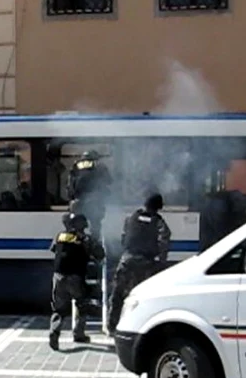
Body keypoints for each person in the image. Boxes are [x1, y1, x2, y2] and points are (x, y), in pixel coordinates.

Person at [108, 192, 171, 333]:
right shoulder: (158, 221)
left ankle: (112, 326)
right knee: (143, 296)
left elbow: (124, 237)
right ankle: (140, 327)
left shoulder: (131, 217)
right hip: (146, 263)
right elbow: (164, 242)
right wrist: (161, 261)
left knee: (118, 293)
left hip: (127, 259)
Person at [48, 212, 105, 350]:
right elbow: (100, 254)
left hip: (58, 276)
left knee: (59, 309)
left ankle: (54, 331)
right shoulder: (85, 239)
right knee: (81, 304)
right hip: (75, 277)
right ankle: (79, 334)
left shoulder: (60, 236)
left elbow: (53, 250)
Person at [67, 150, 112, 241]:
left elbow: (70, 185)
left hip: (78, 201)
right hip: (94, 201)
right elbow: (109, 181)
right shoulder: (99, 166)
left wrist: (73, 198)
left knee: (75, 225)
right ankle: (94, 243)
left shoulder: (76, 165)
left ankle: (76, 242)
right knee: (95, 225)